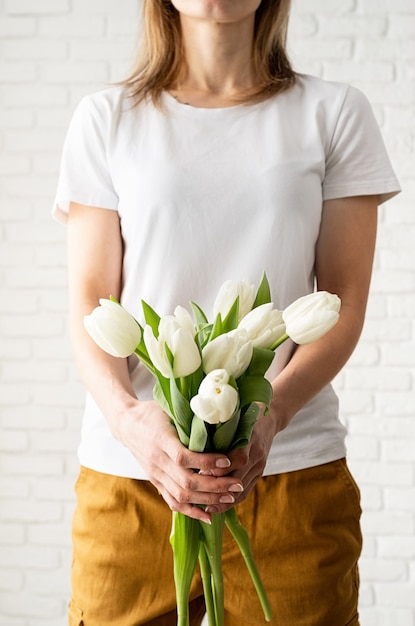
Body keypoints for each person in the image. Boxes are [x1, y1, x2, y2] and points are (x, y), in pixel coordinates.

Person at [53, 1, 400, 624]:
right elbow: (89, 301)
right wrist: (130, 420)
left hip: (290, 478)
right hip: (132, 480)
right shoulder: (107, 119)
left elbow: (341, 302)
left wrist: (272, 415)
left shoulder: (334, 113)